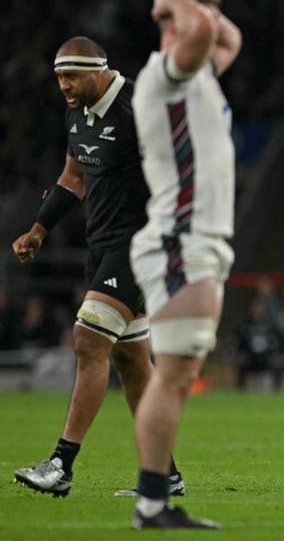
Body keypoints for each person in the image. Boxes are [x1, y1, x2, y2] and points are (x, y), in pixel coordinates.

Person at [11, 37, 183, 498]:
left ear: (98, 71)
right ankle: (163, 474)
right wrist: (39, 230)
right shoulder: (78, 112)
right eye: (59, 77)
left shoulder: (137, 110)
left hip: (140, 246)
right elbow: (73, 177)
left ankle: (61, 464)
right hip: (103, 245)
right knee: (131, 361)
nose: (63, 86)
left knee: (88, 340)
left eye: (71, 77)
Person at [128, 0, 241, 529]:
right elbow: (201, 30)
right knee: (171, 375)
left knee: (178, 371)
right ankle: (152, 503)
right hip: (180, 239)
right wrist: (172, 1)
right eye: (202, 19)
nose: (212, 27)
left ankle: (156, 501)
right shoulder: (166, 75)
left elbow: (228, 38)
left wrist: (192, 6)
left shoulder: (199, 76)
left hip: (199, 240)